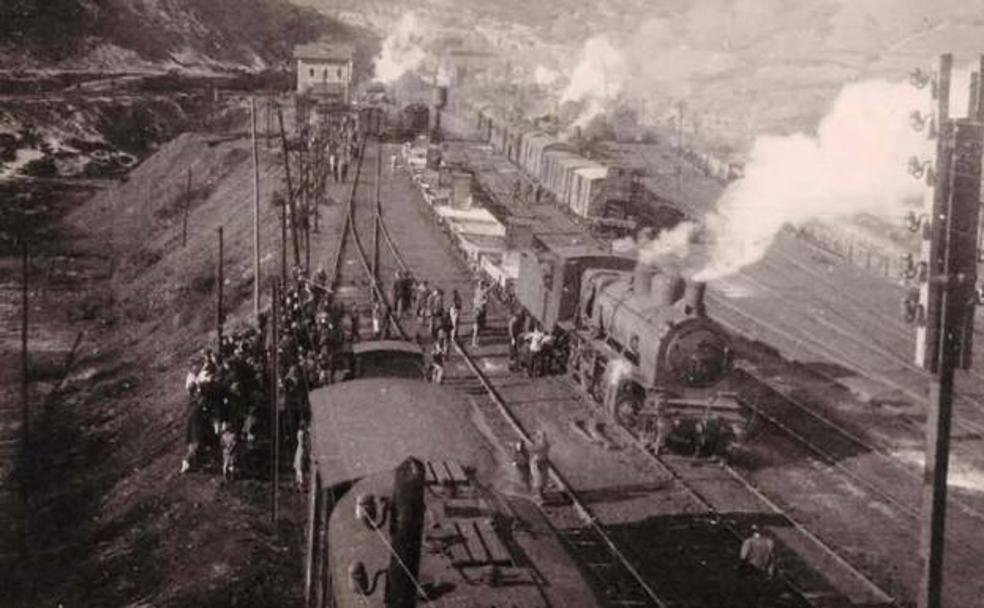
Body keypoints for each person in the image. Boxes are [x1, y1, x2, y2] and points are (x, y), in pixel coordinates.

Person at [738, 525, 776, 607]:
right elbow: (772, 559)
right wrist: (770, 573)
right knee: (760, 595)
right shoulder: (769, 542)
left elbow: (743, 557)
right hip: (763, 571)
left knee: (748, 595)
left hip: (751, 571)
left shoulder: (749, 542)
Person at [530, 430, 551, 504]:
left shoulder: (541, 445)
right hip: (540, 462)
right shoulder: (545, 444)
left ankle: (541, 495)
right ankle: (540, 495)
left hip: (540, 462)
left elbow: (533, 450)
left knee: (541, 480)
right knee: (540, 479)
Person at [294, 422, 308, 489]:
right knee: (299, 465)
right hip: (301, 449)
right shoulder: (301, 433)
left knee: (299, 465)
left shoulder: (300, 432)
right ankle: (300, 481)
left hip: (299, 448)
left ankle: (300, 481)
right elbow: (302, 443)